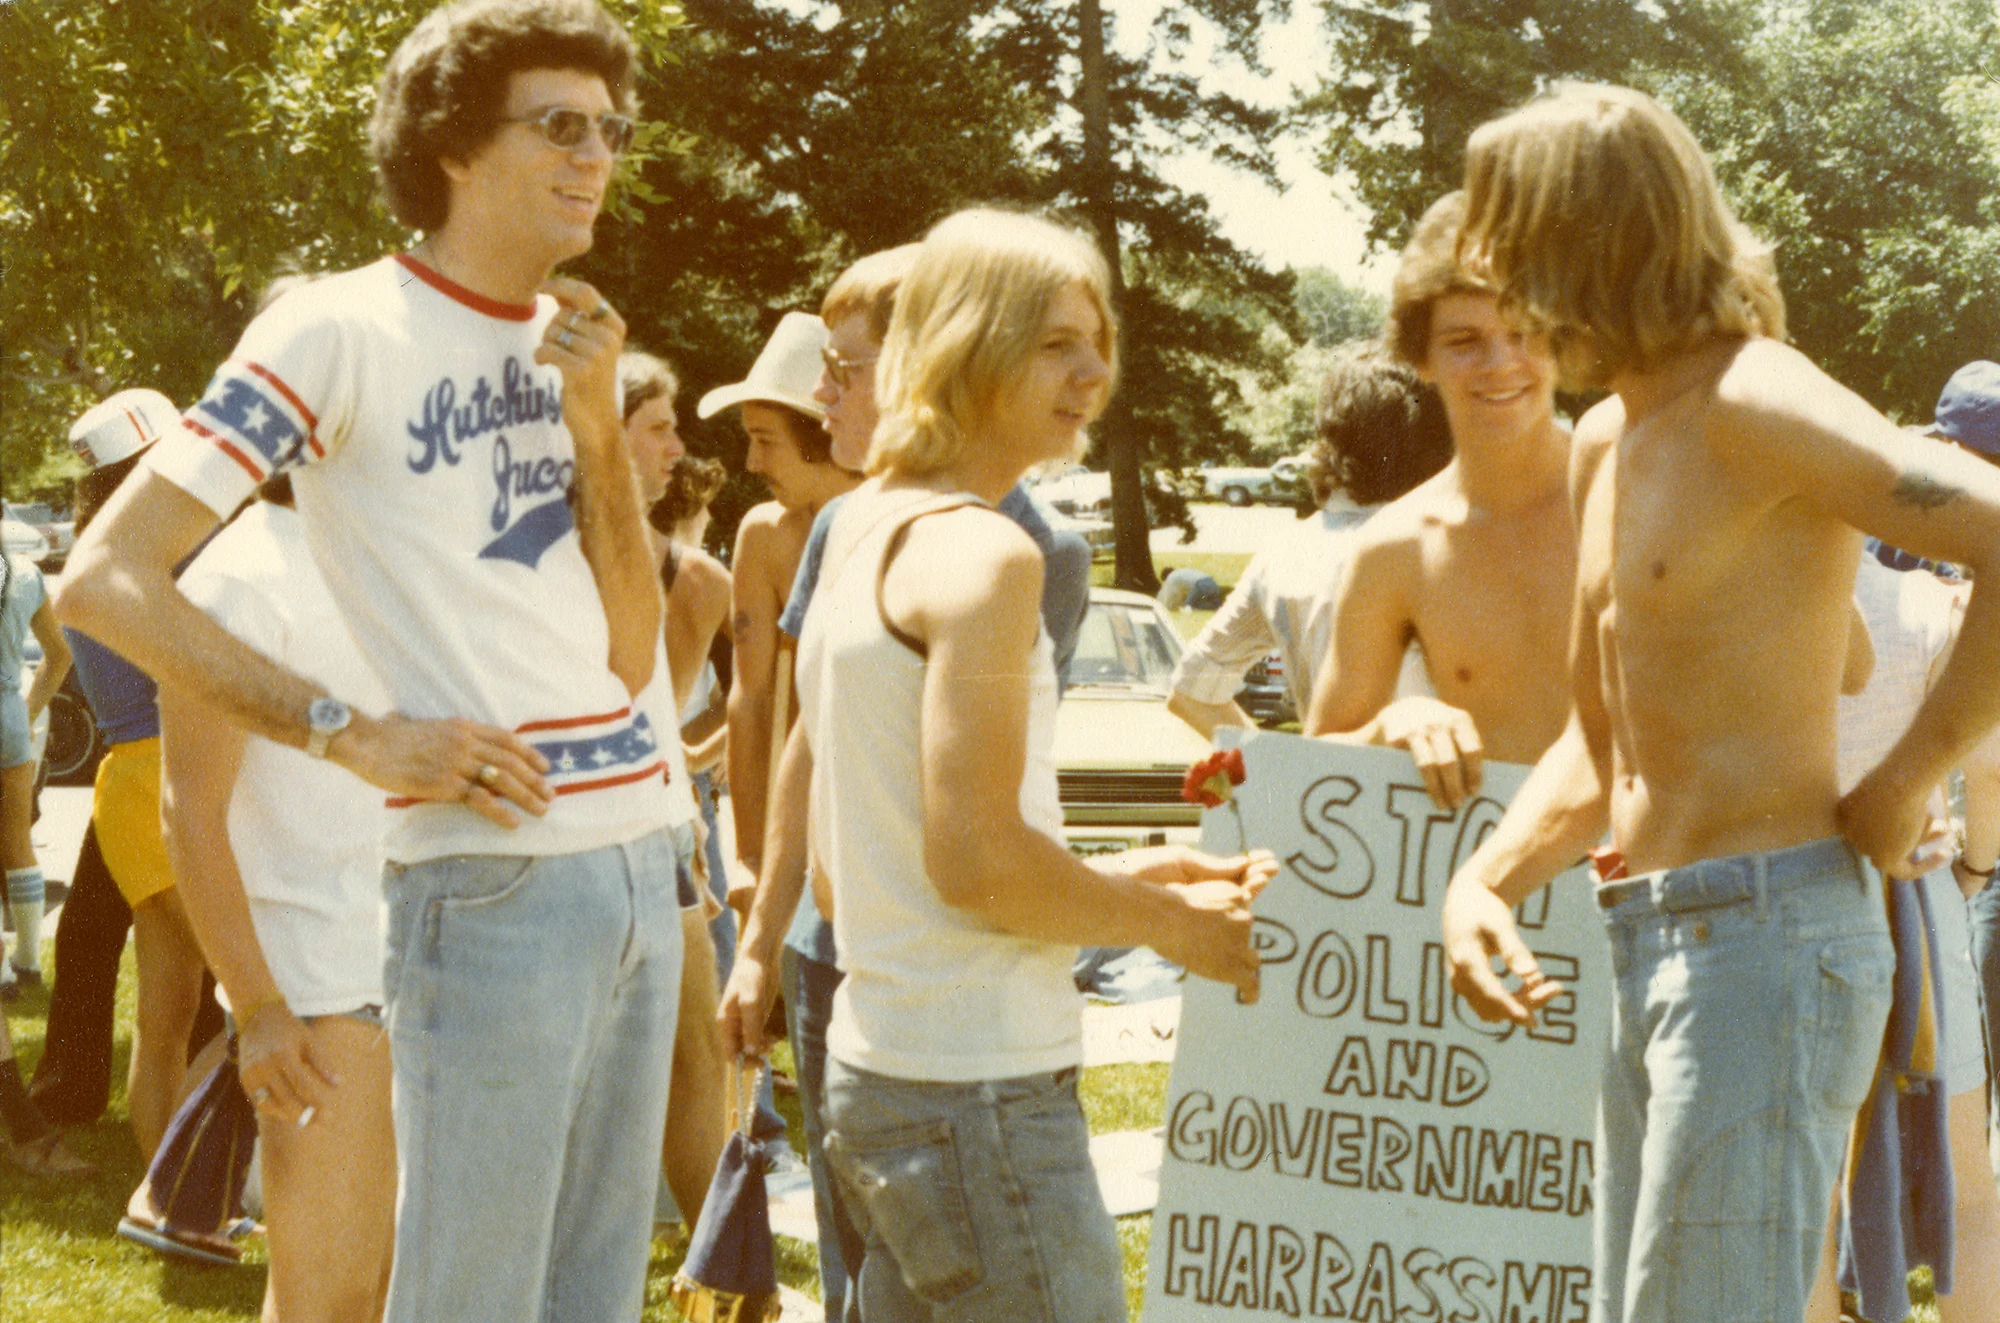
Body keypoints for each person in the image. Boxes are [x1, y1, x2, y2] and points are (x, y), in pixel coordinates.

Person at [55, 3, 680, 1318]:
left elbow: (629, 652)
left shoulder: (567, 340)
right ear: (453, 142)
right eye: (558, 125)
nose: (597, 157)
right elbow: (106, 578)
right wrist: (347, 729)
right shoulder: (338, 329)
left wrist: (593, 422)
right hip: (491, 876)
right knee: (466, 1297)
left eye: (611, 129)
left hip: (638, 856)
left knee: (590, 1299)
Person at [1436, 84, 2000, 1322]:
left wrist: (1908, 775)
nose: (1502, 295)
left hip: (1769, 943)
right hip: (1644, 935)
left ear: (1592, 240)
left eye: (1512, 252)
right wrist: (1483, 879)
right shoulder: (1605, 440)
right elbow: (1603, 740)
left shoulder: (1757, 398)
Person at [770, 206, 1268, 1323]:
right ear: (965, 341)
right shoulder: (985, 555)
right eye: (1053, 343)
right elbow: (979, 865)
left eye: (1097, 341)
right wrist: (1181, 931)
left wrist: (1136, 875)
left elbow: (881, 859)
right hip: (977, 1096)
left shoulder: (861, 527)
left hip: (882, 1071)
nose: (1093, 372)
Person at [718, 242, 1094, 1322]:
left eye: (846, 366)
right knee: (857, 1264)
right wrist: (759, 938)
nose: (820, 394)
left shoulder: (1037, 552)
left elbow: (980, 798)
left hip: (948, 981)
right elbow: (810, 742)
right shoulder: (849, 522)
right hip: (842, 963)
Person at [162, 473, 396, 1321]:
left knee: (378, 1292)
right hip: (318, 990)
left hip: (412, 963)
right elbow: (190, 810)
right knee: (324, 1300)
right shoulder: (237, 579)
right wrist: (256, 1003)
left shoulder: (384, 547)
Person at [1304, 192, 1575, 808]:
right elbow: (1315, 764)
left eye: (1525, 332)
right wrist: (1391, 724)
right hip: (1498, 889)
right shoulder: (1396, 546)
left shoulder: (1630, 495)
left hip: (1653, 888)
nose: (1501, 363)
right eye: (1464, 340)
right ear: (1420, 358)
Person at [1802, 549, 2000, 1321]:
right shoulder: (1929, 605)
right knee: (1969, 1190)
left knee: (1806, 1203)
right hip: (1919, 901)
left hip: (1789, 895)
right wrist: (1977, 871)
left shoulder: (1751, 591)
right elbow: (1988, 767)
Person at [61, 392, 223, 1169]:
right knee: (254, 995)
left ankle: (165, 1190)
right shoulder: (174, 550)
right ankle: (206, 1184)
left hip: (124, 784)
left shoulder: (90, 553)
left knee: (167, 1011)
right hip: (180, 776)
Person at [1169, 346, 1450, 740]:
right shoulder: (1449, 547)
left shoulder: (1287, 552)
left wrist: (1281, 776)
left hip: (1329, 794)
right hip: (1454, 794)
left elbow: (1191, 691)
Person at [621, 347, 734, 1226]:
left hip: (661, 832)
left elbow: (660, 717)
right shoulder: (522, 560)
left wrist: (684, 803)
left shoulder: (695, 580)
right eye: (657, 427)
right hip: (564, 835)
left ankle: (721, 1263)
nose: (676, 448)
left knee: (696, 1050)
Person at [708, 313, 858, 905]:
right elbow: (752, 695)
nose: (750, 463)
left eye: (765, 440)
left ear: (818, 431)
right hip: (789, 837)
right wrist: (748, 855)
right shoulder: (763, 535)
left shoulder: (901, 521)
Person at [2, 524, 70, 995]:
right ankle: (28, 958)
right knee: (17, 841)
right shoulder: (26, 573)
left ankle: (3, 969)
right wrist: (28, 712)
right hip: (9, 713)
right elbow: (59, 655)